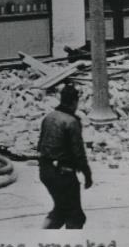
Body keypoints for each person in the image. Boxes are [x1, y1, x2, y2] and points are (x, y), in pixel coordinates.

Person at [36, 81, 93, 229]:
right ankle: (71, 246)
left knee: (61, 210)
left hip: (45, 171)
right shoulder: (71, 122)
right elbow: (78, 153)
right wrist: (87, 174)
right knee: (75, 216)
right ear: (75, 102)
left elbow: (40, 145)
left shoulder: (49, 117)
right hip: (63, 174)